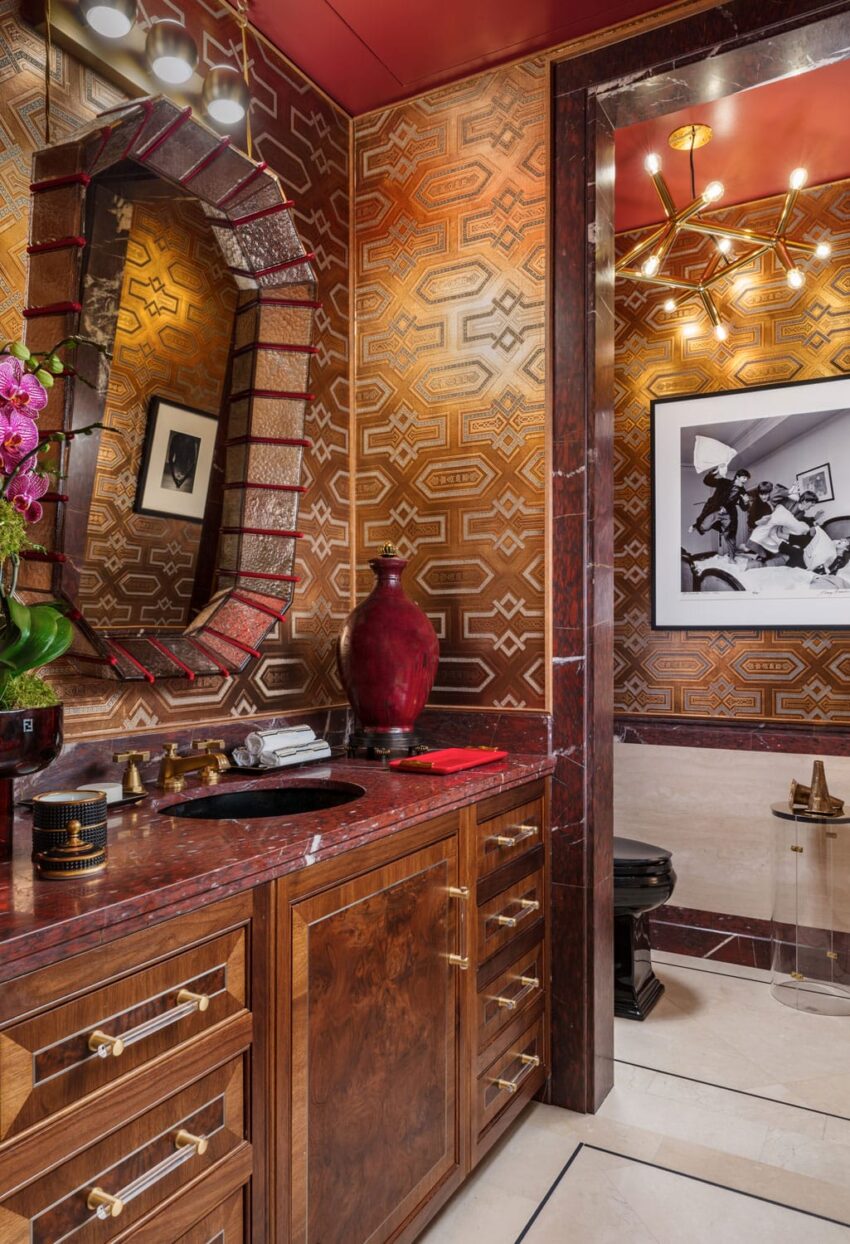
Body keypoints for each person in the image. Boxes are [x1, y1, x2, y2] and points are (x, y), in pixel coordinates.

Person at [690, 467, 752, 538]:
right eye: (744, 478)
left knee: (729, 534)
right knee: (704, 527)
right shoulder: (724, 482)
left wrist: (746, 501)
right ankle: (698, 525)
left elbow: (744, 508)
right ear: (737, 477)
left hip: (728, 513)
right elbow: (707, 481)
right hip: (715, 508)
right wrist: (714, 473)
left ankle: (725, 533)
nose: (746, 480)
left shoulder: (743, 492)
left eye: (747, 478)